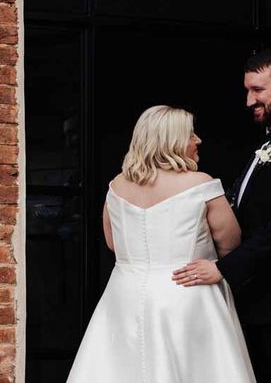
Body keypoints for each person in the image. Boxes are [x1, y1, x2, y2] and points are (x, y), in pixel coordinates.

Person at [173, 49, 271, 383]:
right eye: (247, 91)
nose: (249, 100)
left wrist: (222, 268)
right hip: (260, 299)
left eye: (258, 90)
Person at [66, 105, 256, 383]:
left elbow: (112, 243)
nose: (198, 140)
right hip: (188, 294)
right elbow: (230, 243)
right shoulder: (202, 184)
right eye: (191, 134)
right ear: (172, 141)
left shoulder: (117, 186)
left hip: (125, 296)